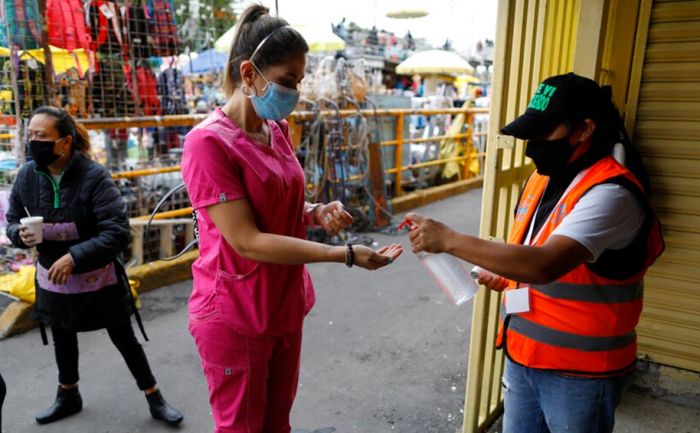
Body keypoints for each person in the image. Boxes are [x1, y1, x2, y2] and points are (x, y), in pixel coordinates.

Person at [180, 5, 402, 433]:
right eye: (287, 81)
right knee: (243, 426)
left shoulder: (275, 130)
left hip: (282, 303)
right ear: (249, 75)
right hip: (235, 311)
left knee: (277, 421)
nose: (294, 92)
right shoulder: (207, 143)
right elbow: (246, 239)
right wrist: (344, 255)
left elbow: (276, 201)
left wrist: (315, 212)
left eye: (298, 82)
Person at [406, 73, 664, 433]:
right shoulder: (544, 176)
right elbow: (529, 248)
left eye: (544, 133)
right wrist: (507, 275)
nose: (532, 146)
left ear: (584, 130)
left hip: (580, 374)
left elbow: (544, 264)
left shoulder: (613, 194)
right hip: (523, 356)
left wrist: (448, 239)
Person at [4, 106, 183, 426]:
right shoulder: (27, 176)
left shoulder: (94, 176)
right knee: (62, 336)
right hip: (51, 279)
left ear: (65, 142)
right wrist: (19, 234)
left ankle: (154, 395)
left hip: (98, 278)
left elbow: (117, 231)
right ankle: (68, 394)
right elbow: (12, 220)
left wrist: (75, 257)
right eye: (30, 135)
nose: (33, 142)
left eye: (40, 136)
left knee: (124, 338)